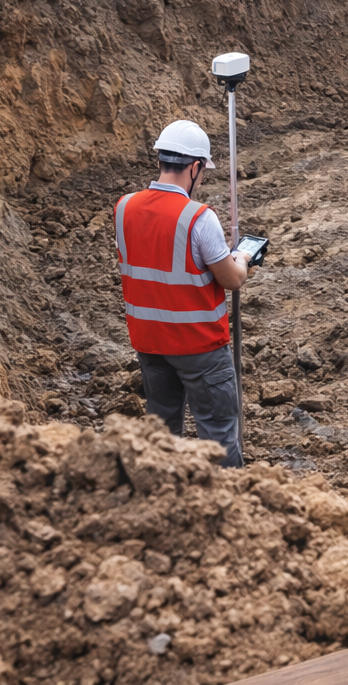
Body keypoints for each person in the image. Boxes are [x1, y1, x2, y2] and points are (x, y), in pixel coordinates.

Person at [114, 119, 254, 466]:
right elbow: (230, 279)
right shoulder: (198, 217)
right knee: (219, 432)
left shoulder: (124, 207)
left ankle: (163, 498)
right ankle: (230, 507)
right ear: (194, 167)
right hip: (199, 346)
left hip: (149, 341)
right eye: (202, 171)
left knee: (160, 432)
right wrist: (244, 259)